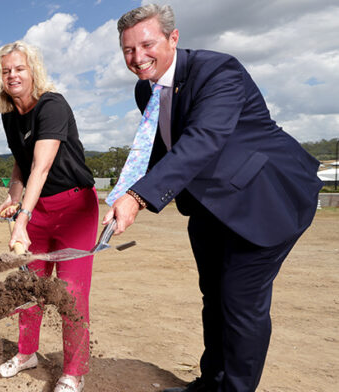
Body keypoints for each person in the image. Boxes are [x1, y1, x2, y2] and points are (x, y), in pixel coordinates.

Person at [108, 5, 323, 392]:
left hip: (263, 199)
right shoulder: (147, 88)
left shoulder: (219, 70)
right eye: (128, 50)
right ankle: (212, 382)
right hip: (209, 205)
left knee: (240, 304)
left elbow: (202, 139)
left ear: (173, 38)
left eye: (147, 44)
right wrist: (122, 195)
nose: (137, 58)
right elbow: (159, 147)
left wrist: (139, 197)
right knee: (215, 297)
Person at [0, 41, 98, 392]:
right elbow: (21, 161)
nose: (12, 75)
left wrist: (21, 219)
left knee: (70, 294)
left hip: (75, 209)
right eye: (6, 71)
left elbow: (42, 165)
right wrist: (12, 197)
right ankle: (26, 353)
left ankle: (74, 371)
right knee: (27, 290)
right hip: (39, 210)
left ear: (33, 71)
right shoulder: (9, 114)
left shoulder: (53, 105)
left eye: (19, 68)